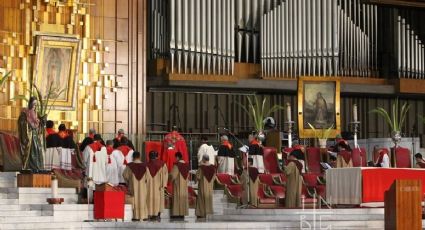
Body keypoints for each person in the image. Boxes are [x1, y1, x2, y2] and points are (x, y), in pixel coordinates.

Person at [18, 97, 44, 171]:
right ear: (30, 103)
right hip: (30, 134)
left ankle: (36, 166)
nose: (34, 105)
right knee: (32, 149)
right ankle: (30, 166)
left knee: (38, 149)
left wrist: (38, 122)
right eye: (33, 104)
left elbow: (36, 122)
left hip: (35, 133)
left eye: (36, 104)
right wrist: (34, 123)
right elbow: (27, 122)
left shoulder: (35, 112)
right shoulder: (27, 112)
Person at [123, 151, 150, 221]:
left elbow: (125, 175)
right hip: (143, 188)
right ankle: (143, 216)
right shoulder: (145, 166)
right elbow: (148, 178)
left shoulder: (129, 166)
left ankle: (135, 216)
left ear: (133, 157)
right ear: (139, 156)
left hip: (133, 187)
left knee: (134, 201)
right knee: (142, 200)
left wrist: (128, 183)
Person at [146, 150, 168, 221]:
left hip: (148, 187)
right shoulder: (162, 164)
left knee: (149, 199)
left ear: (149, 156)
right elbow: (165, 175)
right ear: (157, 156)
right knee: (158, 200)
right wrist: (164, 185)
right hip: (159, 186)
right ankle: (157, 215)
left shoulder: (145, 165)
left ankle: (149, 214)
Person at [168, 152, 189, 219]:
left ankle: (177, 213)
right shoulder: (186, 165)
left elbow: (172, 175)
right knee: (183, 198)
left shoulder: (177, 165)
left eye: (175, 157)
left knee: (177, 198)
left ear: (177, 157)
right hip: (184, 185)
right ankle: (182, 213)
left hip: (178, 184)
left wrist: (168, 178)